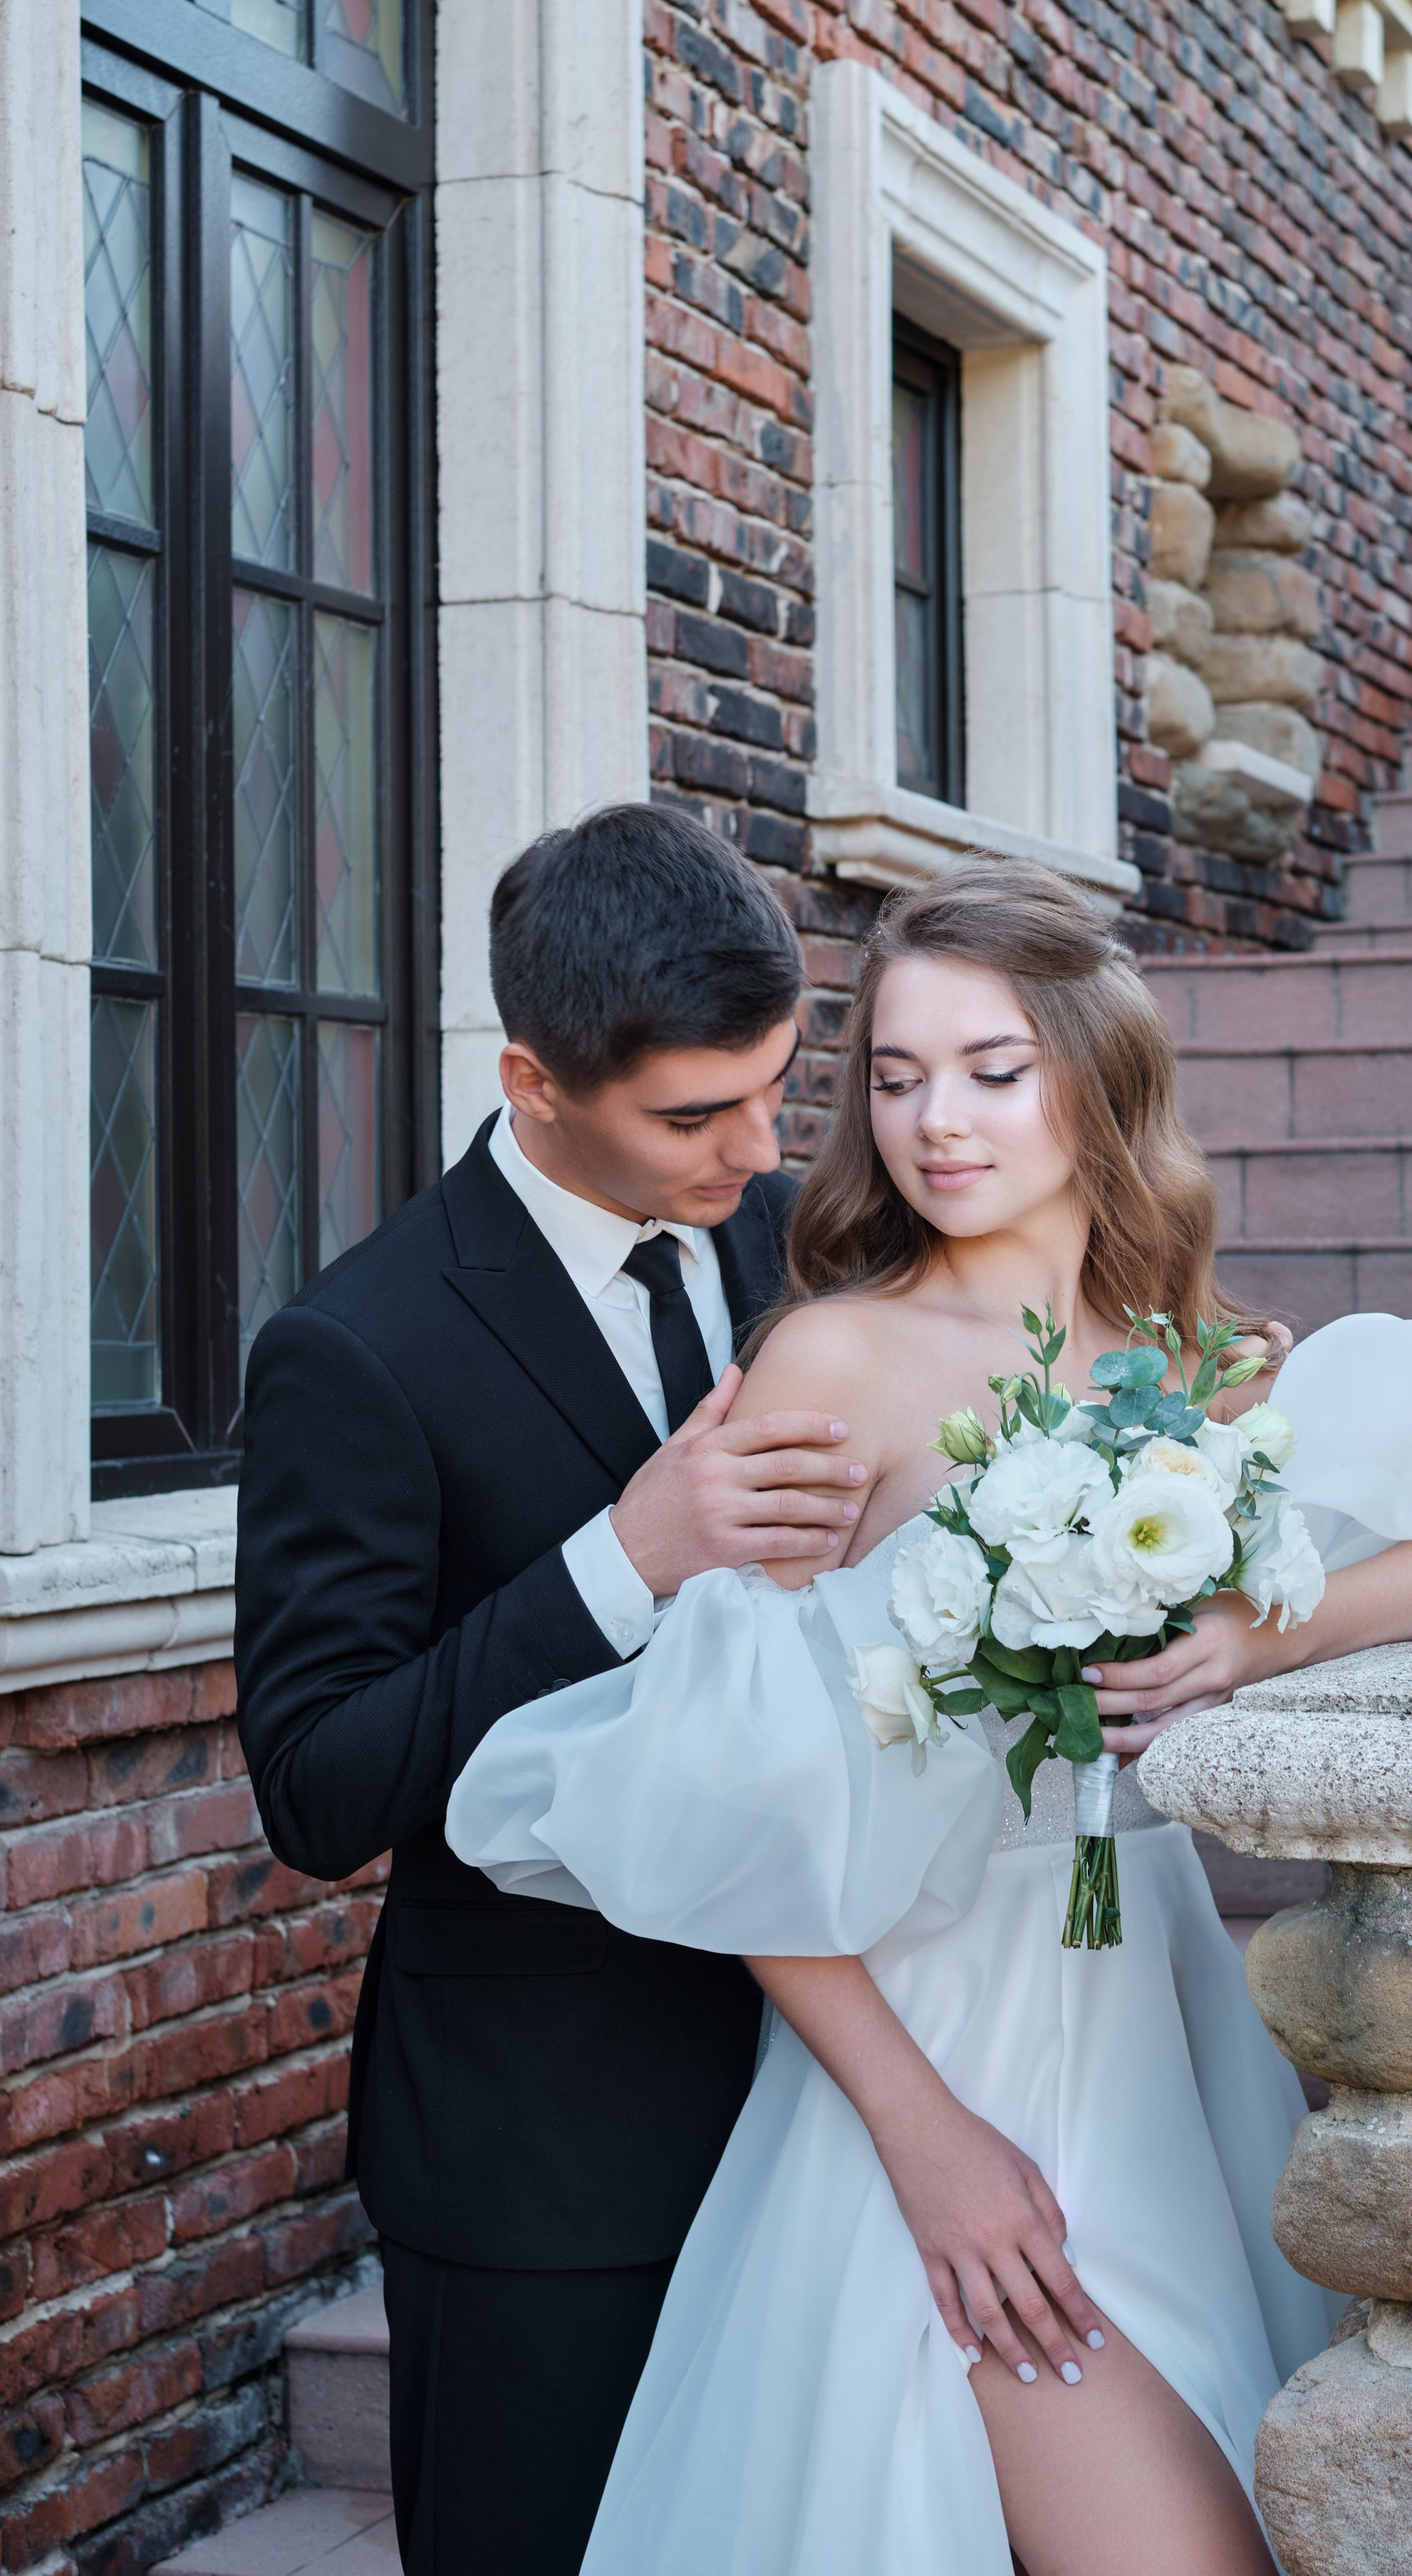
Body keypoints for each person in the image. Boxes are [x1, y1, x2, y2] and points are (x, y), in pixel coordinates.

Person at [447, 857, 1412, 2576]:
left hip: (1155, 2039)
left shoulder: (1198, 1366)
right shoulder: (831, 1362)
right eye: (895, 1077)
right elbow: (727, 1796)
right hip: (926, 2062)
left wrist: (1258, 1631)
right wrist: (926, 2143)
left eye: (990, 1069)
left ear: (1092, 1075)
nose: (935, 1122)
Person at [234, 805, 881, 2576]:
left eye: (777, 1089)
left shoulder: (792, 1251)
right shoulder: (357, 1350)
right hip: (545, 2149)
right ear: (532, 1083)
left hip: (827, 2105)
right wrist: (625, 1555)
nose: (757, 1149)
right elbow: (318, 1785)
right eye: (693, 1116)